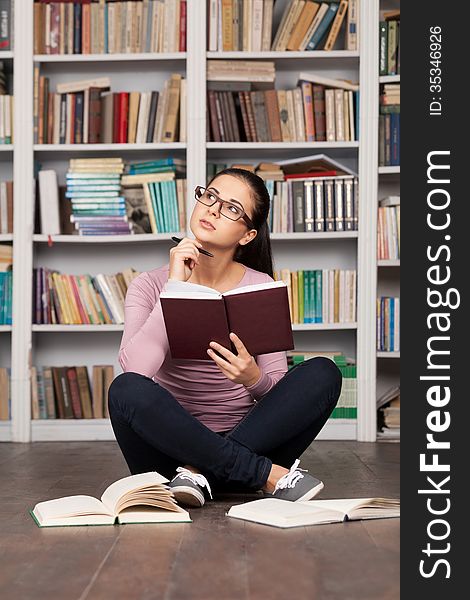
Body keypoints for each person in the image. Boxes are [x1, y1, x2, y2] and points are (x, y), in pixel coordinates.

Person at [108, 168, 342, 508]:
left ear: (246, 235)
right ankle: (263, 475)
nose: (213, 209)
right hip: (166, 449)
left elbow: (277, 389)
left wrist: (253, 379)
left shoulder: (260, 285)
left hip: (251, 438)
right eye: (210, 196)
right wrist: (175, 287)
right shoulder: (148, 285)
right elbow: (137, 370)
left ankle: (200, 473)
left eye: (231, 208)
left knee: (323, 372)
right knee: (124, 388)